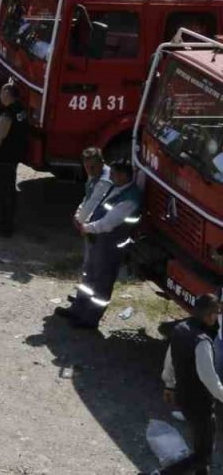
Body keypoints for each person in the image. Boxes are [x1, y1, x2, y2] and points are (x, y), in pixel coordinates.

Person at [59, 157, 142, 330]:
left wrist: (87, 228)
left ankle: (90, 319)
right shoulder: (116, 187)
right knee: (88, 277)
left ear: (124, 176)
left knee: (102, 283)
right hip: (97, 241)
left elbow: (109, 223)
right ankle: (78, 309)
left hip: (110, 246)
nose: (110, 176)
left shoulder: (130, 198)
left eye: (114, 174)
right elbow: (95, 203)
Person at [148, 294, 223, 475]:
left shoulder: (181, 328)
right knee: (202, 455)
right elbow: (210, 380)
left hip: (183, 397)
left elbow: (170, 358)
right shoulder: (202, 342)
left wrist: (169, 385)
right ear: (209, 315)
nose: (218, 316)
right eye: (217, 313)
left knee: (201, 443)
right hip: (200, 403)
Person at [0, 82, 28, 236]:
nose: (0, 95)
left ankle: (5, 225)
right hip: (14, 155)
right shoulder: (21, 110)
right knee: (9, 189)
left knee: (4, 191)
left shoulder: (7, 114)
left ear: (8, 94)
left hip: (3, 156)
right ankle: (7, 220)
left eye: (2, 92)